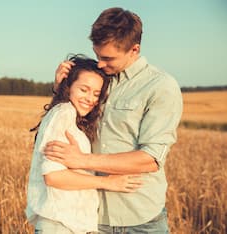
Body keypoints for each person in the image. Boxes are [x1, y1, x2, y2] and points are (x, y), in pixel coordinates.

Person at [44, 8, 183, 233]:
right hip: (91, 216)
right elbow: (66, 124)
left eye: (107, 58)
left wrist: (83, 160)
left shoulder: (160, 86)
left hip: (140, 219)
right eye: (97, 55)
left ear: (134, 49)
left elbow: (150, 159)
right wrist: (62, 90)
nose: (99, 63)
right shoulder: (97, 80)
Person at [25, 54, 143, 234]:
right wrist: (108, 183)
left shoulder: (73, 117)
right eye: (84, 89)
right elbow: (53, 176)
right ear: (68, 86)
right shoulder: (63, 113)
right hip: (60, 225)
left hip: (70, 225)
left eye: (96, 94)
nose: (90, 98)